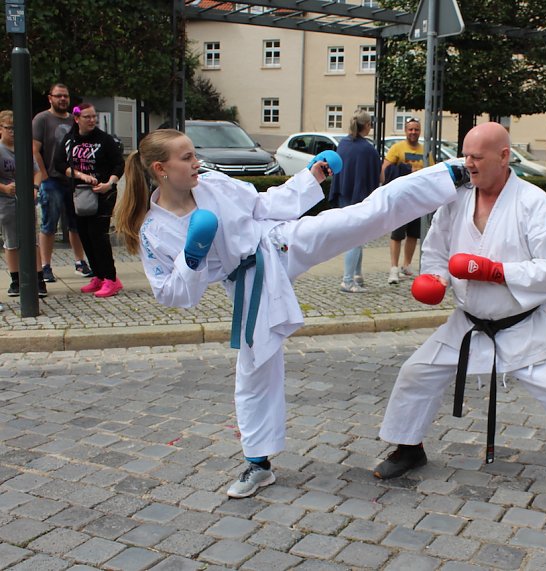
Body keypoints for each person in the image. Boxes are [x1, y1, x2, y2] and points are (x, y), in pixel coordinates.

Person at [114, 129, 467, 498]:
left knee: (361, 217)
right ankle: (258, 463)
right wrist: (192, 257)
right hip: (247, 282)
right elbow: (173, 294)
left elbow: (263, 205)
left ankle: (452, 174)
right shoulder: (153, 230)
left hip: (278, 242)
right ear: (161, 168)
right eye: (185, 157)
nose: (196, 162)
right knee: (254, 368)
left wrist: (310, 177)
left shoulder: (212, 183)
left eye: (193, 153)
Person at [374, 122, 546, 497]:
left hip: (526, 327)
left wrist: (497, 272)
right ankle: (409, 448)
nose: (469, 164)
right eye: (466, 155)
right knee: (416, 373)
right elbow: (436, 249)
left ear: (504, 156)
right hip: (468, 324)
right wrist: (436, 279)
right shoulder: (458, 198)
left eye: (477, 157)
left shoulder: (535, 203)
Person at [54, 104, 125, 297]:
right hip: (79, 194)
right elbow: (59, 163)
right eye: (87, 117)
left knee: (98, 235)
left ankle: (111, 279)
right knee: (84, 234)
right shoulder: (70, 139)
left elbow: (119, 164)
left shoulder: (105, 140)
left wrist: (109, 183)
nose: (92, 120)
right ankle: (99, 276)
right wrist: (80, 175)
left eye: (94, 116)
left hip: (103, 193)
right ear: (77, 119)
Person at [32, 83, 92, 282]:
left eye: (65, 96)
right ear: (50, 98)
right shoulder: (42, 119)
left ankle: (79, 262)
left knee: (76, 224)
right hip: (52, 180)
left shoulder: (73, 120)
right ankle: (45, 266)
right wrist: (44, 176)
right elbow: (34, 150)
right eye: (58, 96)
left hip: (73, 180)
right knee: (49, 224)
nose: (62, 99)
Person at [328, 110, 379, 293]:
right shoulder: (367, 149)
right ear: (366, 126)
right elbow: (374, 176)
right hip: (359, 199)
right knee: (356, 239)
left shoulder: (343, 144)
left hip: (344, 196)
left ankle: (357, 275)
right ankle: (348, 281)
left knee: (357, 237)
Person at [0, 110, 48, 298]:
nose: (13, 132)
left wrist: (35, 187)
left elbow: (36, 171)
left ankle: (38, 278)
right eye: (9, 128)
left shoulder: (23, 148)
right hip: (6, 201)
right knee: (12, 241)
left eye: (16, 128)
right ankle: (16, 279)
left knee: (31, 239)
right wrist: (4, 189)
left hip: (25, 200)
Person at [381, 117, 432, 284]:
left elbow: (432, 172)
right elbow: (385, 171)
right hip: (400, 199)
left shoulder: (425, 151)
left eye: (416, 129)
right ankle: (393, 268)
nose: (413, 132)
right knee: (397, 234)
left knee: (413, 234)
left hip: (417, 199)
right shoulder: (397, 148)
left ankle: (406, 265)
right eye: (410, 129)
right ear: (405, 131)